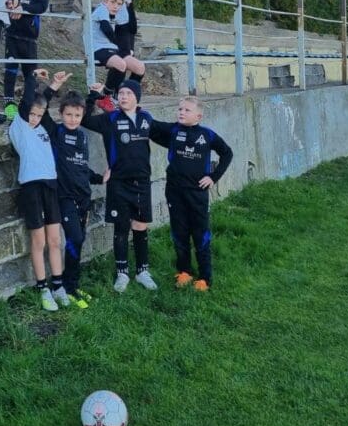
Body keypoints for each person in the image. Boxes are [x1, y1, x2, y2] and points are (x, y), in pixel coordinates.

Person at [31, 70, 104, 308]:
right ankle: (62, 286)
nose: (73, 119)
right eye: (69, 115)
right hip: (64, 197)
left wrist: (99, 178)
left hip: (84, 197)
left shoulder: (82, 136)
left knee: (79, 241)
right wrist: (53, 86)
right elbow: (41, 111)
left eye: (77, 115)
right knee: (75, 238)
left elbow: (81, 167)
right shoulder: (56, 133)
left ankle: (72, 285)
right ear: (61, 114)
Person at [149, 96, 233, 291]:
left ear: (198, 116)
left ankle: (205, 277)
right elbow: (152, 126)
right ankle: (184, 271)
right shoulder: (173, 131)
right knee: (179, 232)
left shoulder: (207, 135)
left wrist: (213, 177)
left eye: (187, 110)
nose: (181, 112)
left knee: (200, 233)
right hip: (175, 192)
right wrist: (135, 110)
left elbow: (227, 153)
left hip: (197, 194)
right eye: (180, 109)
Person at [83, 78, 158, 292]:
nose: (124, 96)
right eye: (121, 93)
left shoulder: (146, 118)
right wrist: (93, 96)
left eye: (128, 93)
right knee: (121, 227)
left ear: (137, 98)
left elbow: (163, 134)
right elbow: (85, 120)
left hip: (141, 182)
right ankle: (122, 273)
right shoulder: (110, 119)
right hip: (118, 183)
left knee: (140, 226)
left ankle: (142, 271)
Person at [9, 70, 68, 311]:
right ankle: (42, 287)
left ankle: (58, 285)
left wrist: (53, 85)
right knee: (39, 240)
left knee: (55, 239)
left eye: (39, 115)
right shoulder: (20, 126)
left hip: (50, 185)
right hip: (31, 186)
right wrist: (33, 78)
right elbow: (28, 102)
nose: (34, 118)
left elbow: (43, 104)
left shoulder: (43, 127)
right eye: (32, 114)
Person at [2, 0, 51, 121]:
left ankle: (27, 104)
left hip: (30, 37)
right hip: (11, 33)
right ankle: (9, 105)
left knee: (31, 73)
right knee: (10, 69)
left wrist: (24, 9)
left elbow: (42, 6)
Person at [89, 0, 146, 112]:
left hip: (112, 49)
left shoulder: (116, 14)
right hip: (98, 49)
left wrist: (130, 7)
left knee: (140, 67)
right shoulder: (102, 10)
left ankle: (127, 97)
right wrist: (117, 43)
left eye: (119, 4)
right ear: (105, 1)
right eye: (112, 2)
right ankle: (106, 97)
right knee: (121, 64)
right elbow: (106, 29)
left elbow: (132, 29)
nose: (116, 6)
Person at [105, 0, 148, 93]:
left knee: (124, 57)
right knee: (125, 58)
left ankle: (118, 92)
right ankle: (115, 92)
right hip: (121, 20)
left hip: (124, 18)